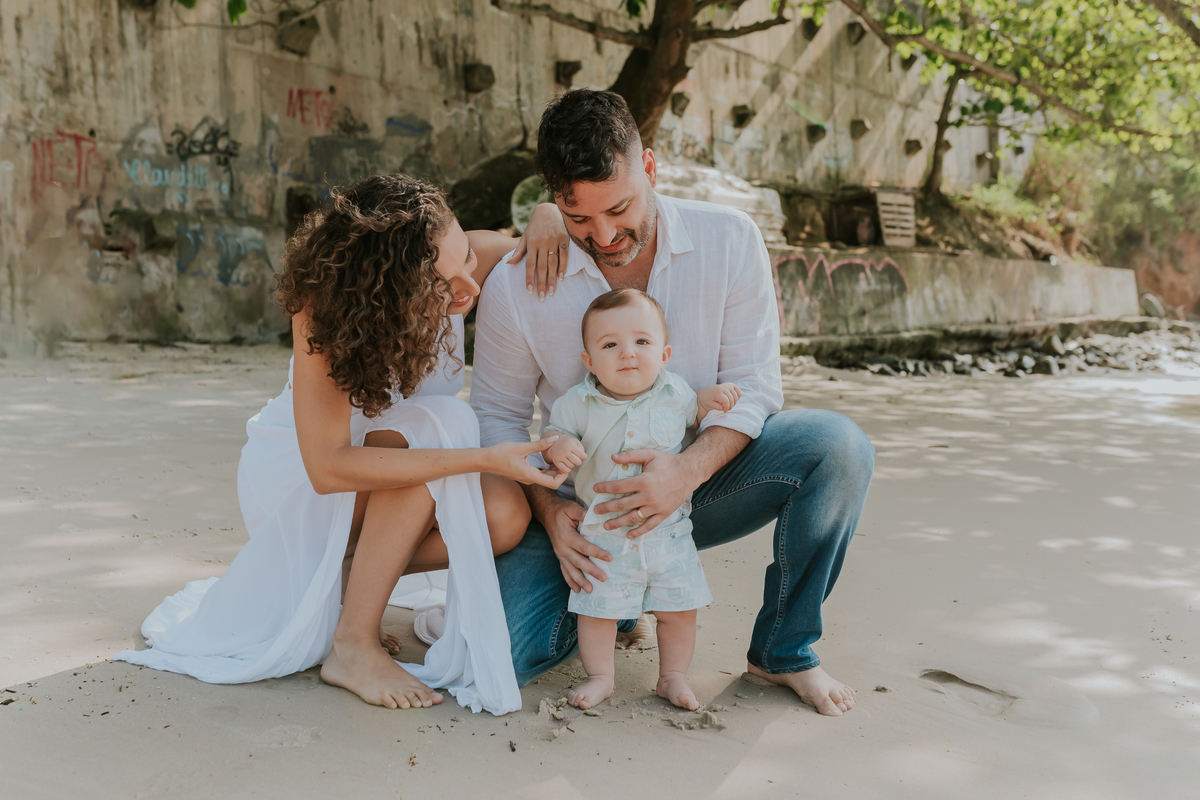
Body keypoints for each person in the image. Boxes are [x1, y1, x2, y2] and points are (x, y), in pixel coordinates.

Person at [471, 90, 875, 716]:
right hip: (585, 509)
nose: (604, 236)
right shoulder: (518, 285)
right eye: (578, 218)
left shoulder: (731, 240)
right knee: (495, 656)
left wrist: (683, 474)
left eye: (621, 208)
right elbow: (496, 419)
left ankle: (784, 652)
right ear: (554, 203)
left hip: (701, 485)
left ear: (651, 169)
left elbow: (756, 386)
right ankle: (624, 597)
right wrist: (552, 517)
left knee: (838, 447)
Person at [116, 174, 572, 716]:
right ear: (386, 288)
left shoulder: (464, 264)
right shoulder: (325, 314)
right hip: (304, 480)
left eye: (467, 260)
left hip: (390, 469)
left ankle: (351, 579)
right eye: (441, 285)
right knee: (440, 423)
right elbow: (327, 467)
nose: (468, 292)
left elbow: (529, 243)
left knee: (503, 516)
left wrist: (547, 213)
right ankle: (352, 644)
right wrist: (479, 457)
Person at [543, 288, 740, 711]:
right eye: (610, 345)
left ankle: (672, 677)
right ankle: (600, 676)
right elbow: (554, 433)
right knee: (596, 610)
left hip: (668, 532)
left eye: (642, 342)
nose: (628, 353)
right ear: (589, 361)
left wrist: (707, 400)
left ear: (665, 354)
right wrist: (558, 445)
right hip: (604, 533)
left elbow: (694, 411)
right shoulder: (579, 402)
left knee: (679, 609)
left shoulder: (675, 392)